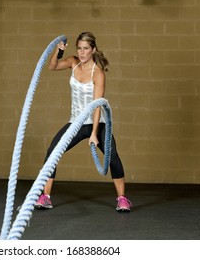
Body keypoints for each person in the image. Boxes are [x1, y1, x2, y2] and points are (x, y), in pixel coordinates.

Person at [35, 32, 132, 212]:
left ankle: (122, 199)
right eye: (79, 48)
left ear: (93, 50)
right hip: (76, 122)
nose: (81, 52)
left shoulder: (98, 73)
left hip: (98, 123)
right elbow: (52, 66)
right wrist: (59, 51)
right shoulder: (73, 62)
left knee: (113, 157)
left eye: (86, 48)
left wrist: (94, 133)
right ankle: (45, 196)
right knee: (52, 152)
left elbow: (97, 106)